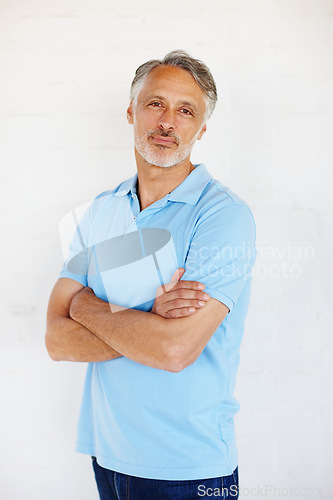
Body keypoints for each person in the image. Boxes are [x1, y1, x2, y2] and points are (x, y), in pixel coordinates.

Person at [45, 50, 256, 499]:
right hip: (107, 455)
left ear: (202, 128)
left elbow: (175, 349)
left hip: (188, 467)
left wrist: (84, 305)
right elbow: (56, 340)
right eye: (155, 103)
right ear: (131, 111)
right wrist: (147, 315)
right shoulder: (103, 209)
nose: (167, 122)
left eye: (185, 111)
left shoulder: (222, 216)